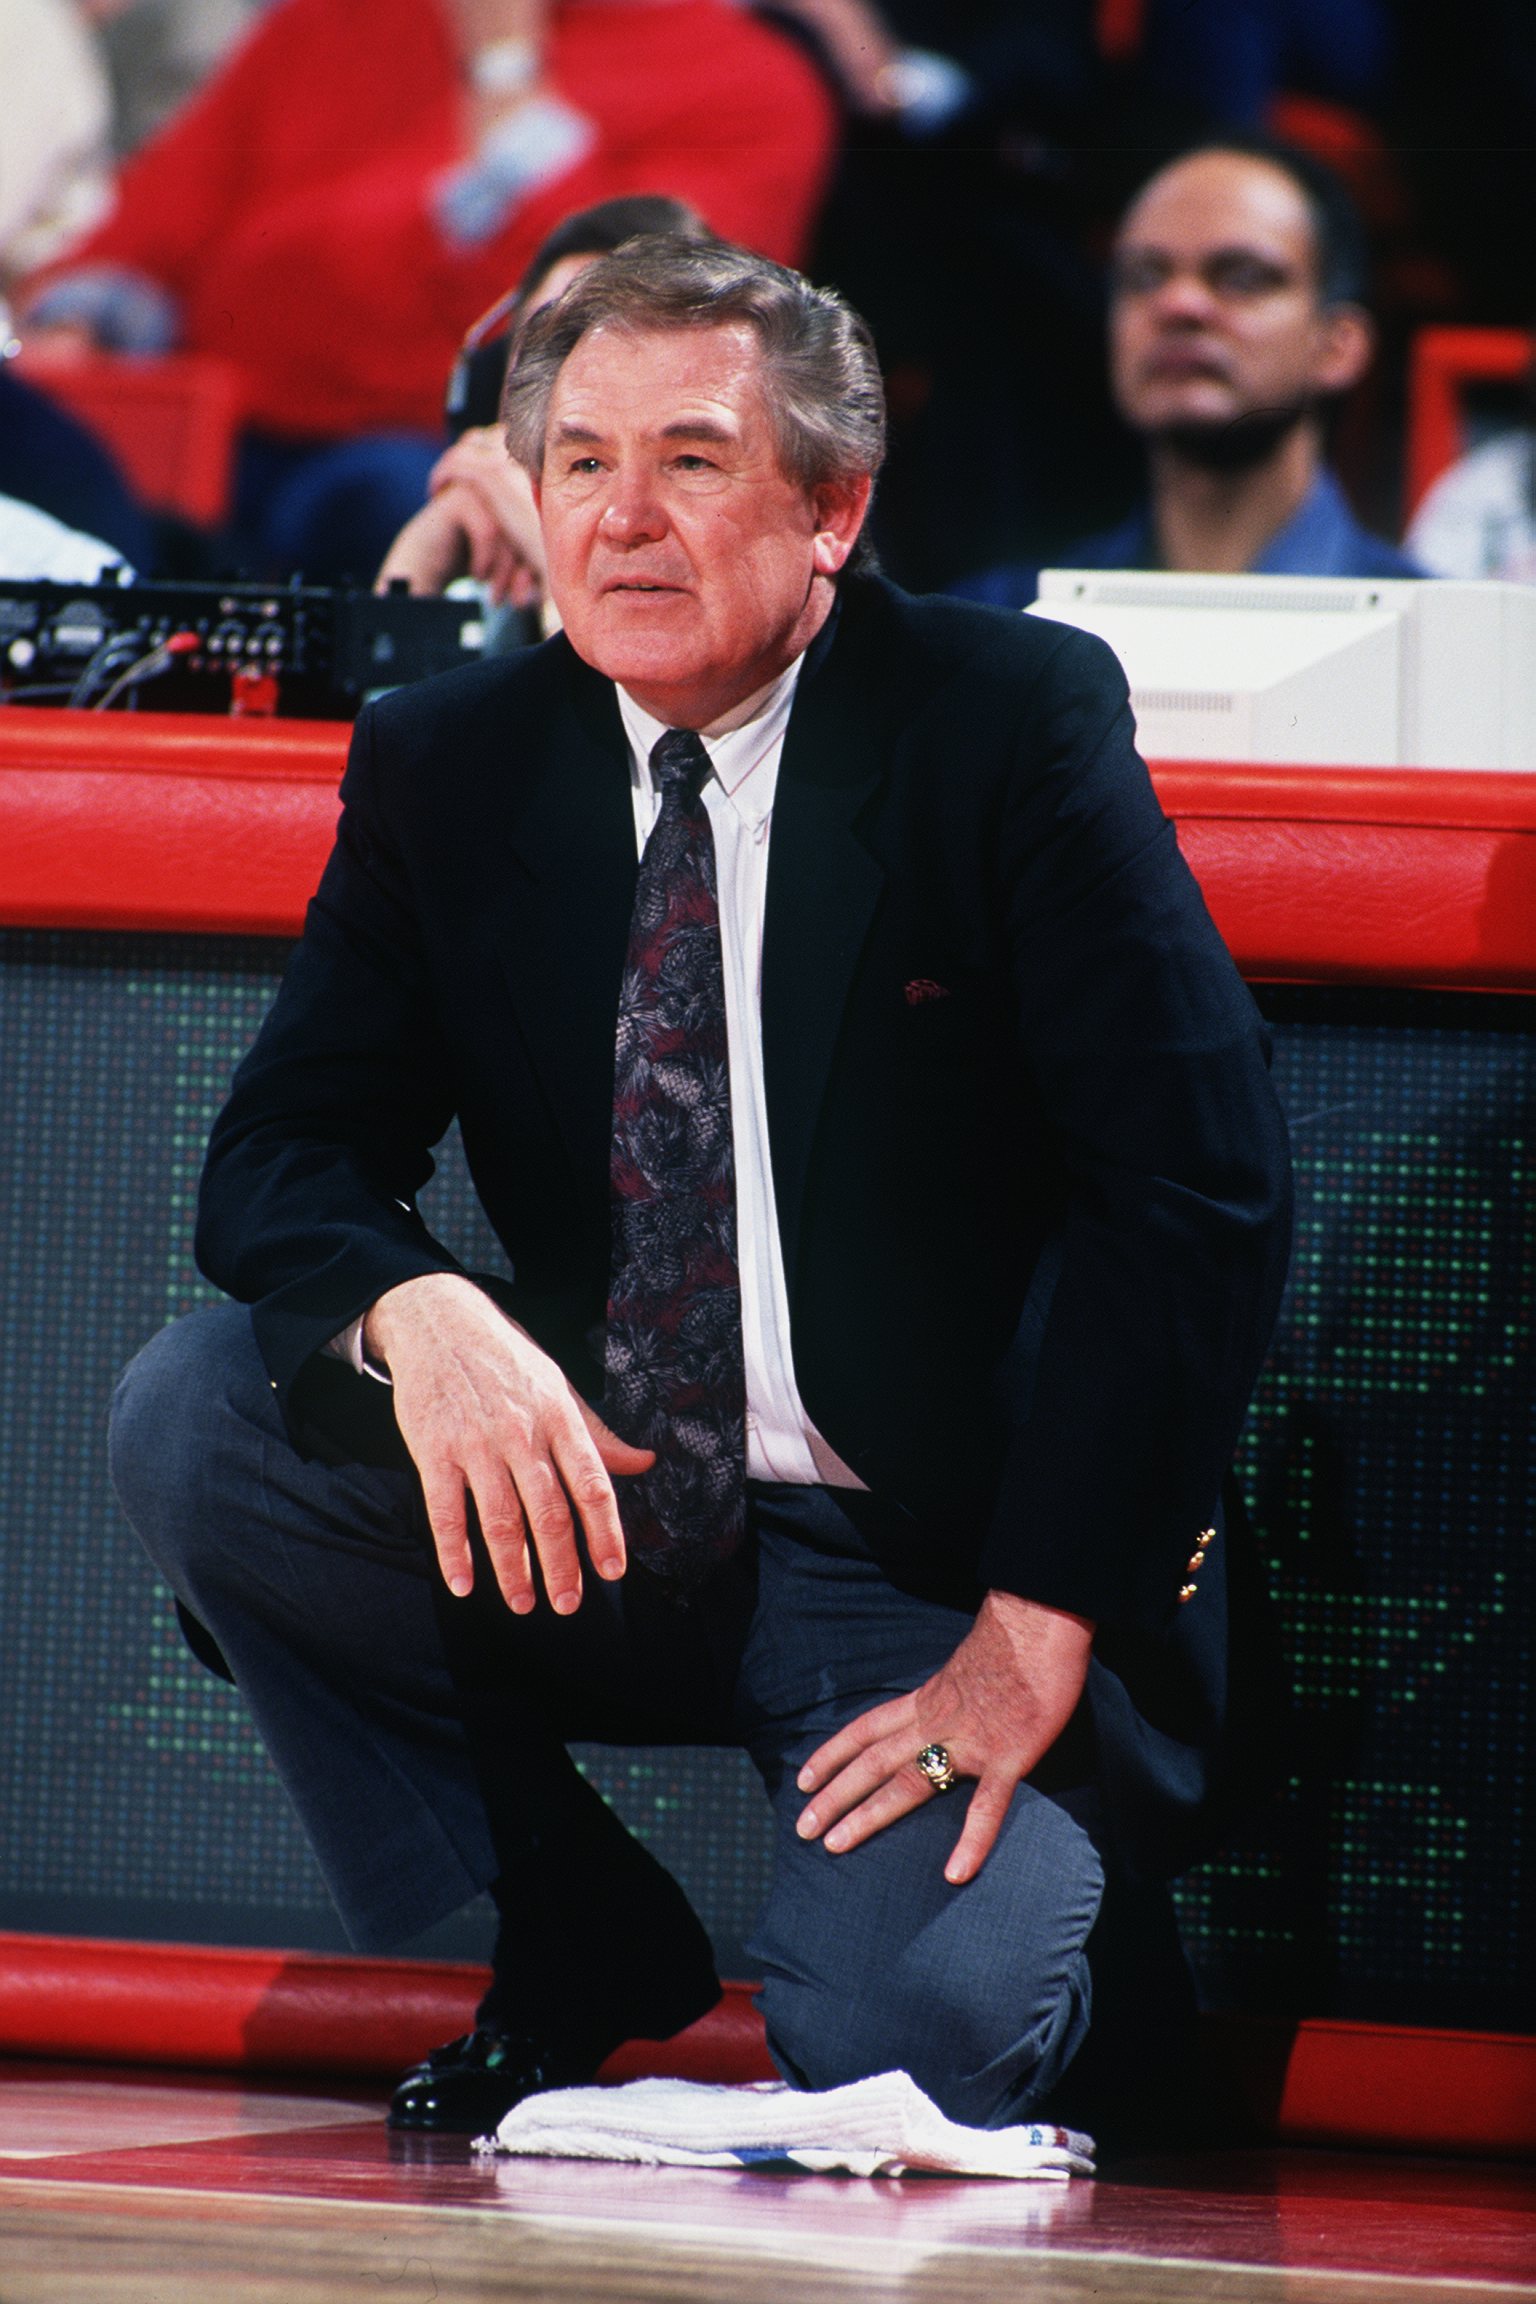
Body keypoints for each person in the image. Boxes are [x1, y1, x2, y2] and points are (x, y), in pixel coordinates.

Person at [109, 237, 1292, 2148]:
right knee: (199, 1415)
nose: (623, 519)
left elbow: (1200, 1192)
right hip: (617, 1502)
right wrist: (419, 1310)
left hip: (930, 1563)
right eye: (579, 462)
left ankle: (1078, 1956)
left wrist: (1040, 1615)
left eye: (692, 459)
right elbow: (281, 1155)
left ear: (834, 508)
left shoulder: (1003, 723)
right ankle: (572, 1925)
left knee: (910, 2060)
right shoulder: (450, 761)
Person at [18, 0, 836, 579]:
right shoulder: (329, 23)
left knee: (386, 499)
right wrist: (83, 314)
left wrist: (503, 66)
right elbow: (141, 225)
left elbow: (596, 323)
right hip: (219, 430)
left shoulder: (753, 85)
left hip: (444, 451)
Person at [955, 138, 1420, 606]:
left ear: (1339, 345)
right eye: (1144, 277)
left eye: (1243, 277)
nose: (1179, 305)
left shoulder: (1446, 638)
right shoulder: (1006, 628)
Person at [377, 192, 714, 612]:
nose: (564, 381)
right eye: (542, 343)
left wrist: (551, 553)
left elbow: (616, 676)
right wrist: (420, 555)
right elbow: (386, 681)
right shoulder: (479, 526)